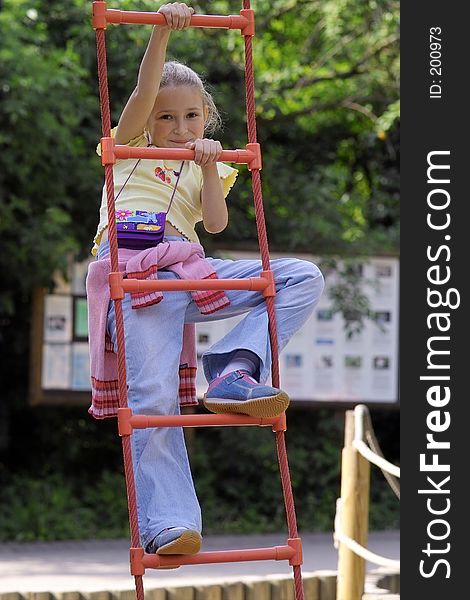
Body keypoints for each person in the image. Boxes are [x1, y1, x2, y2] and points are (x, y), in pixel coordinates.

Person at [87, 2, 324, 557]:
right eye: (167, 117)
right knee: (153, 396)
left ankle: (234, 370)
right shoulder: (128, 150)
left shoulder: (207, 164)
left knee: (297, 277)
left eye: (192, 116)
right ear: (148, 122)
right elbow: (147, 89)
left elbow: (214, 224)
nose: (179, 126)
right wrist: (160, 36)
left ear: (206, 118)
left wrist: (208, 166)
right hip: (136, 277)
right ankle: (168, 525)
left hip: (189, 271)